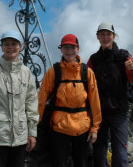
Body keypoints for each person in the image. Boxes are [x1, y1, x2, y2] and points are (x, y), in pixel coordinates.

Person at [0, 30, 39, 167]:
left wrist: (32, 133)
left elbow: (31, 104)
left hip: (20, 137)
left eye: (14, 44)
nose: (10, 47)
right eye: (6, 44)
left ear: (20, 46)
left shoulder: (26, 73)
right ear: (2, 47)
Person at [88, 22, 133, 167]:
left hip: (119, 112)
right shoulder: (94, 60)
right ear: (97, 37)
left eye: (108, 34)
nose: (105, 37)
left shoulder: (124, 56)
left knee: (120, 152)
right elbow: (87, 84)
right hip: (99, 113)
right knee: (99, 152)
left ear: (114, 36)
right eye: (102, 34)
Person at [38, 33, 102, 167]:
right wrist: (34, 125)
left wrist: (95, 128)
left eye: (72, 48)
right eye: (66, 48)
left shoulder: (87, 72)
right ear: (61, 49)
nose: (69, 51)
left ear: (78, 49)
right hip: (59, 127)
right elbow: (41, 100)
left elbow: (95, 101)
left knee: (81, 163)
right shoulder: (53, 72)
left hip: (83, 128)